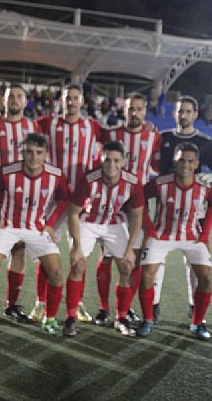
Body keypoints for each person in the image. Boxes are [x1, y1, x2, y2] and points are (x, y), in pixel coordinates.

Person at [0, 133, 69, 337]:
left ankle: (49, 319)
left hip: (37, 228)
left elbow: (65, 199)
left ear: (46, 155)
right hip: (7, 226)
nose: (34, 157)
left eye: (39, 153)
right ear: (22, 152)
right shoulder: (7, 172)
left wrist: (51, 224)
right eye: (29, 152)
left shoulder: (56, 175)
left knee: (57, 273)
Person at [31, 84, 103, 324]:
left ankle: (77, 304)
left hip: (81, 202)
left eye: (75, 98)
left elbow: (118, 139)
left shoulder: (92, 127)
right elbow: (21, 127)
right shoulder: (46, 123)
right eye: (67, 98)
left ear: (81, 102)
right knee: (46, 250)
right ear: (60, 101)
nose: (71, 102)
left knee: (78, 255)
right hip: (53, 199)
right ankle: (40, 303)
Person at [156, 95, 212, 323]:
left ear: (196, 114)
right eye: (180, 111)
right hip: (164, 211)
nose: (183, 115)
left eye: (188, 111)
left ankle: (194, 307)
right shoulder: (163, 138)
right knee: (156, 260)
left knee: (195, 264)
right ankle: (154, 307)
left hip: (194, 214)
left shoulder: (205, 142)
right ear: (173, 113)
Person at [0, 84, 42, 322]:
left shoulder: (33, 127)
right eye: (10, 96)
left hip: (24, 201)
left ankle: (12, 304)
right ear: (4, 101)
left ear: (25, 101)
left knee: (19, 251)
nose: (14, 100)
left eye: (18, 97)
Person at [137, 142, 212, 340]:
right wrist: (149, 228)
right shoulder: (160, 183)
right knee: (147, 275)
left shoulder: (204, 186)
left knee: (206, 278)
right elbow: (139, 198)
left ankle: (198, 322)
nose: (185, 164)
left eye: (190, 161)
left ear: (197, 163)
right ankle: (148, 319)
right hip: (162, 235)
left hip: (192, 237)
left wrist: (205, 233)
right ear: (174, 160)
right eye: (181, 159)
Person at [95, 93, 161, 326]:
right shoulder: (111, 134)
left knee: (131, 258)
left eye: (140, 109)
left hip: (138, 206)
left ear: (145, 112)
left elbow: (156, 164)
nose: (135, 113)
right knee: (106, 257)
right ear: (125, 110)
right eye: (131, 108)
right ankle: (104, 309)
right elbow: (98, 159)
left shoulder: (154, 135)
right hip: (111, 204)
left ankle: (127, 308)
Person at [66, 141, 144, 337]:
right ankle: (70, 317)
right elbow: (73, 213)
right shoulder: (90, 179)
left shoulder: (132, 182)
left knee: (127, 266)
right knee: (77, 265)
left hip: (114, 223)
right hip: (89, 222)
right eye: (107, 160)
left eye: (116, 160)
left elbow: (137, 216)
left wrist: (130, 249)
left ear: (124, 162)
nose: (111, 165)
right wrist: (76, 246)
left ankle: (122, 317)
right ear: (101, 160)